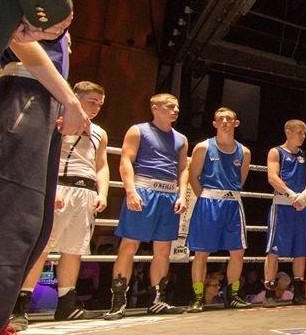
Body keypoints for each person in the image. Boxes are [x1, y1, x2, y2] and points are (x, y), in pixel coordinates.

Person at [0, 0, 88, 328]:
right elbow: (20, 45)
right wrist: (69, 97)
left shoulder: (51, 5)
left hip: (44, 103)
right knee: (15, 212)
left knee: (34, 221)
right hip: (24, 96)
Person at [9, 82, 108, 331]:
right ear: (76, 97)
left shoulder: (100, 132)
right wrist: (50, 187)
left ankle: (66, 304)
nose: (96, 107)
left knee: (75, 249)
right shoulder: (59, 121)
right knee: (43, 247)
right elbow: (46, 155)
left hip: (86, 191)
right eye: (92, 101)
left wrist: (103, 192)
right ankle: (20, 305)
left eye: (100, 103)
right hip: (60, 185)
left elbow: (101, 164)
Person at [104, 93, 189, 320]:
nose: (175, 110)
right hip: (144, 190)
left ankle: (158, 300)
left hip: (169, 194)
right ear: (155, 108)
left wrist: (182, 195)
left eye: (177, 107)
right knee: (129, 245)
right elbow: (126, 160)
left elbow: (183, 168)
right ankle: (118, 302)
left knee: (163, 250)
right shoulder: (138, 130)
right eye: (170, 106)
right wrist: (131, 190)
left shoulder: (181, 139)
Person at [185, 107, 252, 312]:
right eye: (220, 119)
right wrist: (206, 197)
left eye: (228, 118)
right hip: (208, 203)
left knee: (238, 251)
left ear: (236, 123)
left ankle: (232, 295)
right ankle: (197, 297)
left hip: (232, 204)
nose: (224, 121)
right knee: (201, 252)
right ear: (214, 123)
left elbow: (241, 179)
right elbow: (193, 176)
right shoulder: (203, 147)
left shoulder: (244, 152)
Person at [264, 119, 306, 307]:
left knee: (301, 250)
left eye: (304, 132)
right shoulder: (276, 152)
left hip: (302, 206)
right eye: (299, 132)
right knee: (274, 249)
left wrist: (305, 194)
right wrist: (291, 194)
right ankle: (269, 294)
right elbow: (272, 177)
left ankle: (299, 293)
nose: (303, 136)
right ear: (288, 132)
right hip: (282, 206)